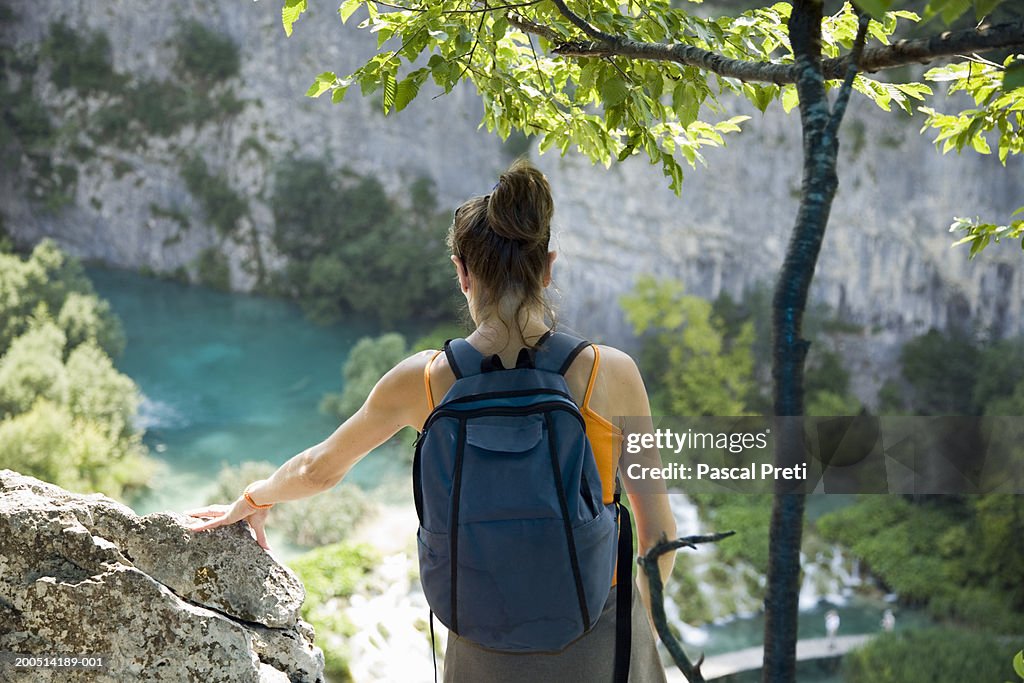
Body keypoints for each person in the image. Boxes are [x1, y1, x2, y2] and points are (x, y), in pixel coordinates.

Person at [184, 159, 677, 681]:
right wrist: (629, 625)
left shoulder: (423, 381)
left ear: (462, 273)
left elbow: (319, 468)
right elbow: (659, 534)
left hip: (480, 643)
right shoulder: (611, 373)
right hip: (602, 637)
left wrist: (256, 497)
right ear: (548, 266)